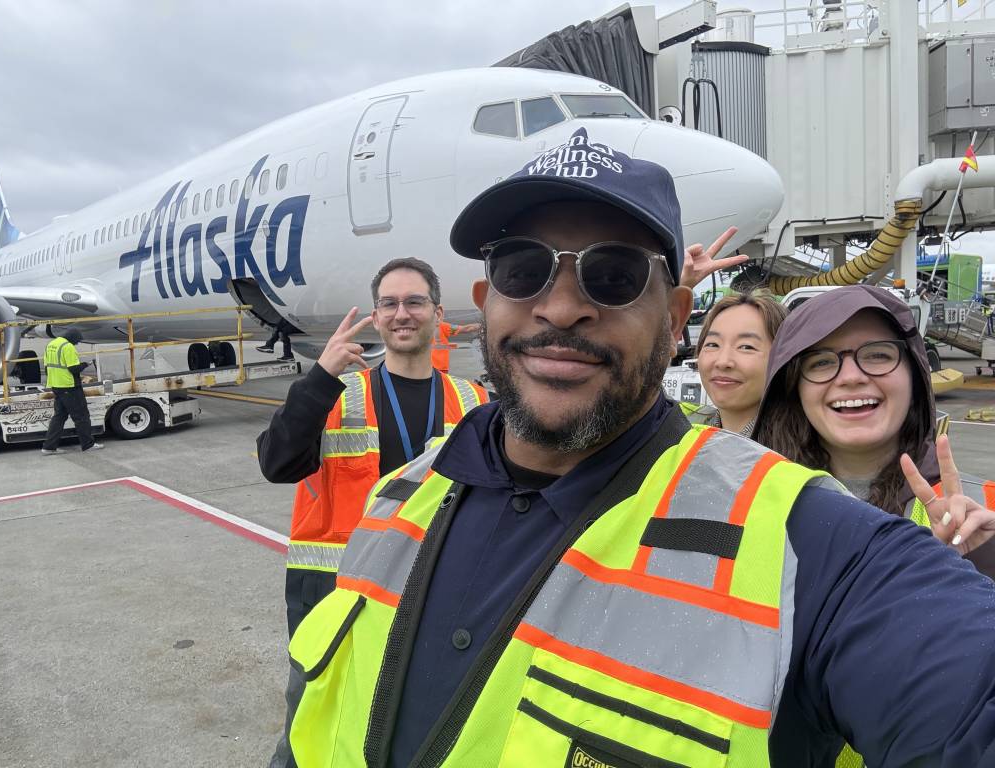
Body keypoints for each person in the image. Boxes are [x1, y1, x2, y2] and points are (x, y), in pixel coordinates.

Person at [283, 128, 995, 766]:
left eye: (615, 275)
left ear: (674, 314)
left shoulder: (797, 536)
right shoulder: (395, 501)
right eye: (524, 269)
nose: (561, 308)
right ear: (485, 299)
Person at [257, 257, 488, 768]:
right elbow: (276, 462)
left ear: (436, 312)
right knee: (311, 730)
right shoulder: (337, 395)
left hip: (431, 597)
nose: (401, 313)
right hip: (338, 599)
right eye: (389, 304)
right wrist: (319, 377)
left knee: (403, 731)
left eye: (414, 302)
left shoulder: (471, 402)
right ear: (377, 317)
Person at [753, 284, 995, 572]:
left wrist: (983, 557)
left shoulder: (984, 507)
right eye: (822, 362)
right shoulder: (752, 504)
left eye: (878, 355)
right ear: (794, 390)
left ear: (914, 376)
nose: (851, 377)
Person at [684, 291, 787, 436]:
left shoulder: (804, 452)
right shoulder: (684, 430)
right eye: (713, 344)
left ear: (782, 358)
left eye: (746, 347)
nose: (723, 362)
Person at [41, 327, 102, 454]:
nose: (77, 343)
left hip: (56, 385)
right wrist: (85, 364)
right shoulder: (68, 347)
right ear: (72, 338)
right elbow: (73, 369)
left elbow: (47, 368)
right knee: (81, 417)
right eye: (77, 341)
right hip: (70, 387)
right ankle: (88, 444)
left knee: (59, 417)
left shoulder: (51, 344)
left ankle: (48, 447)